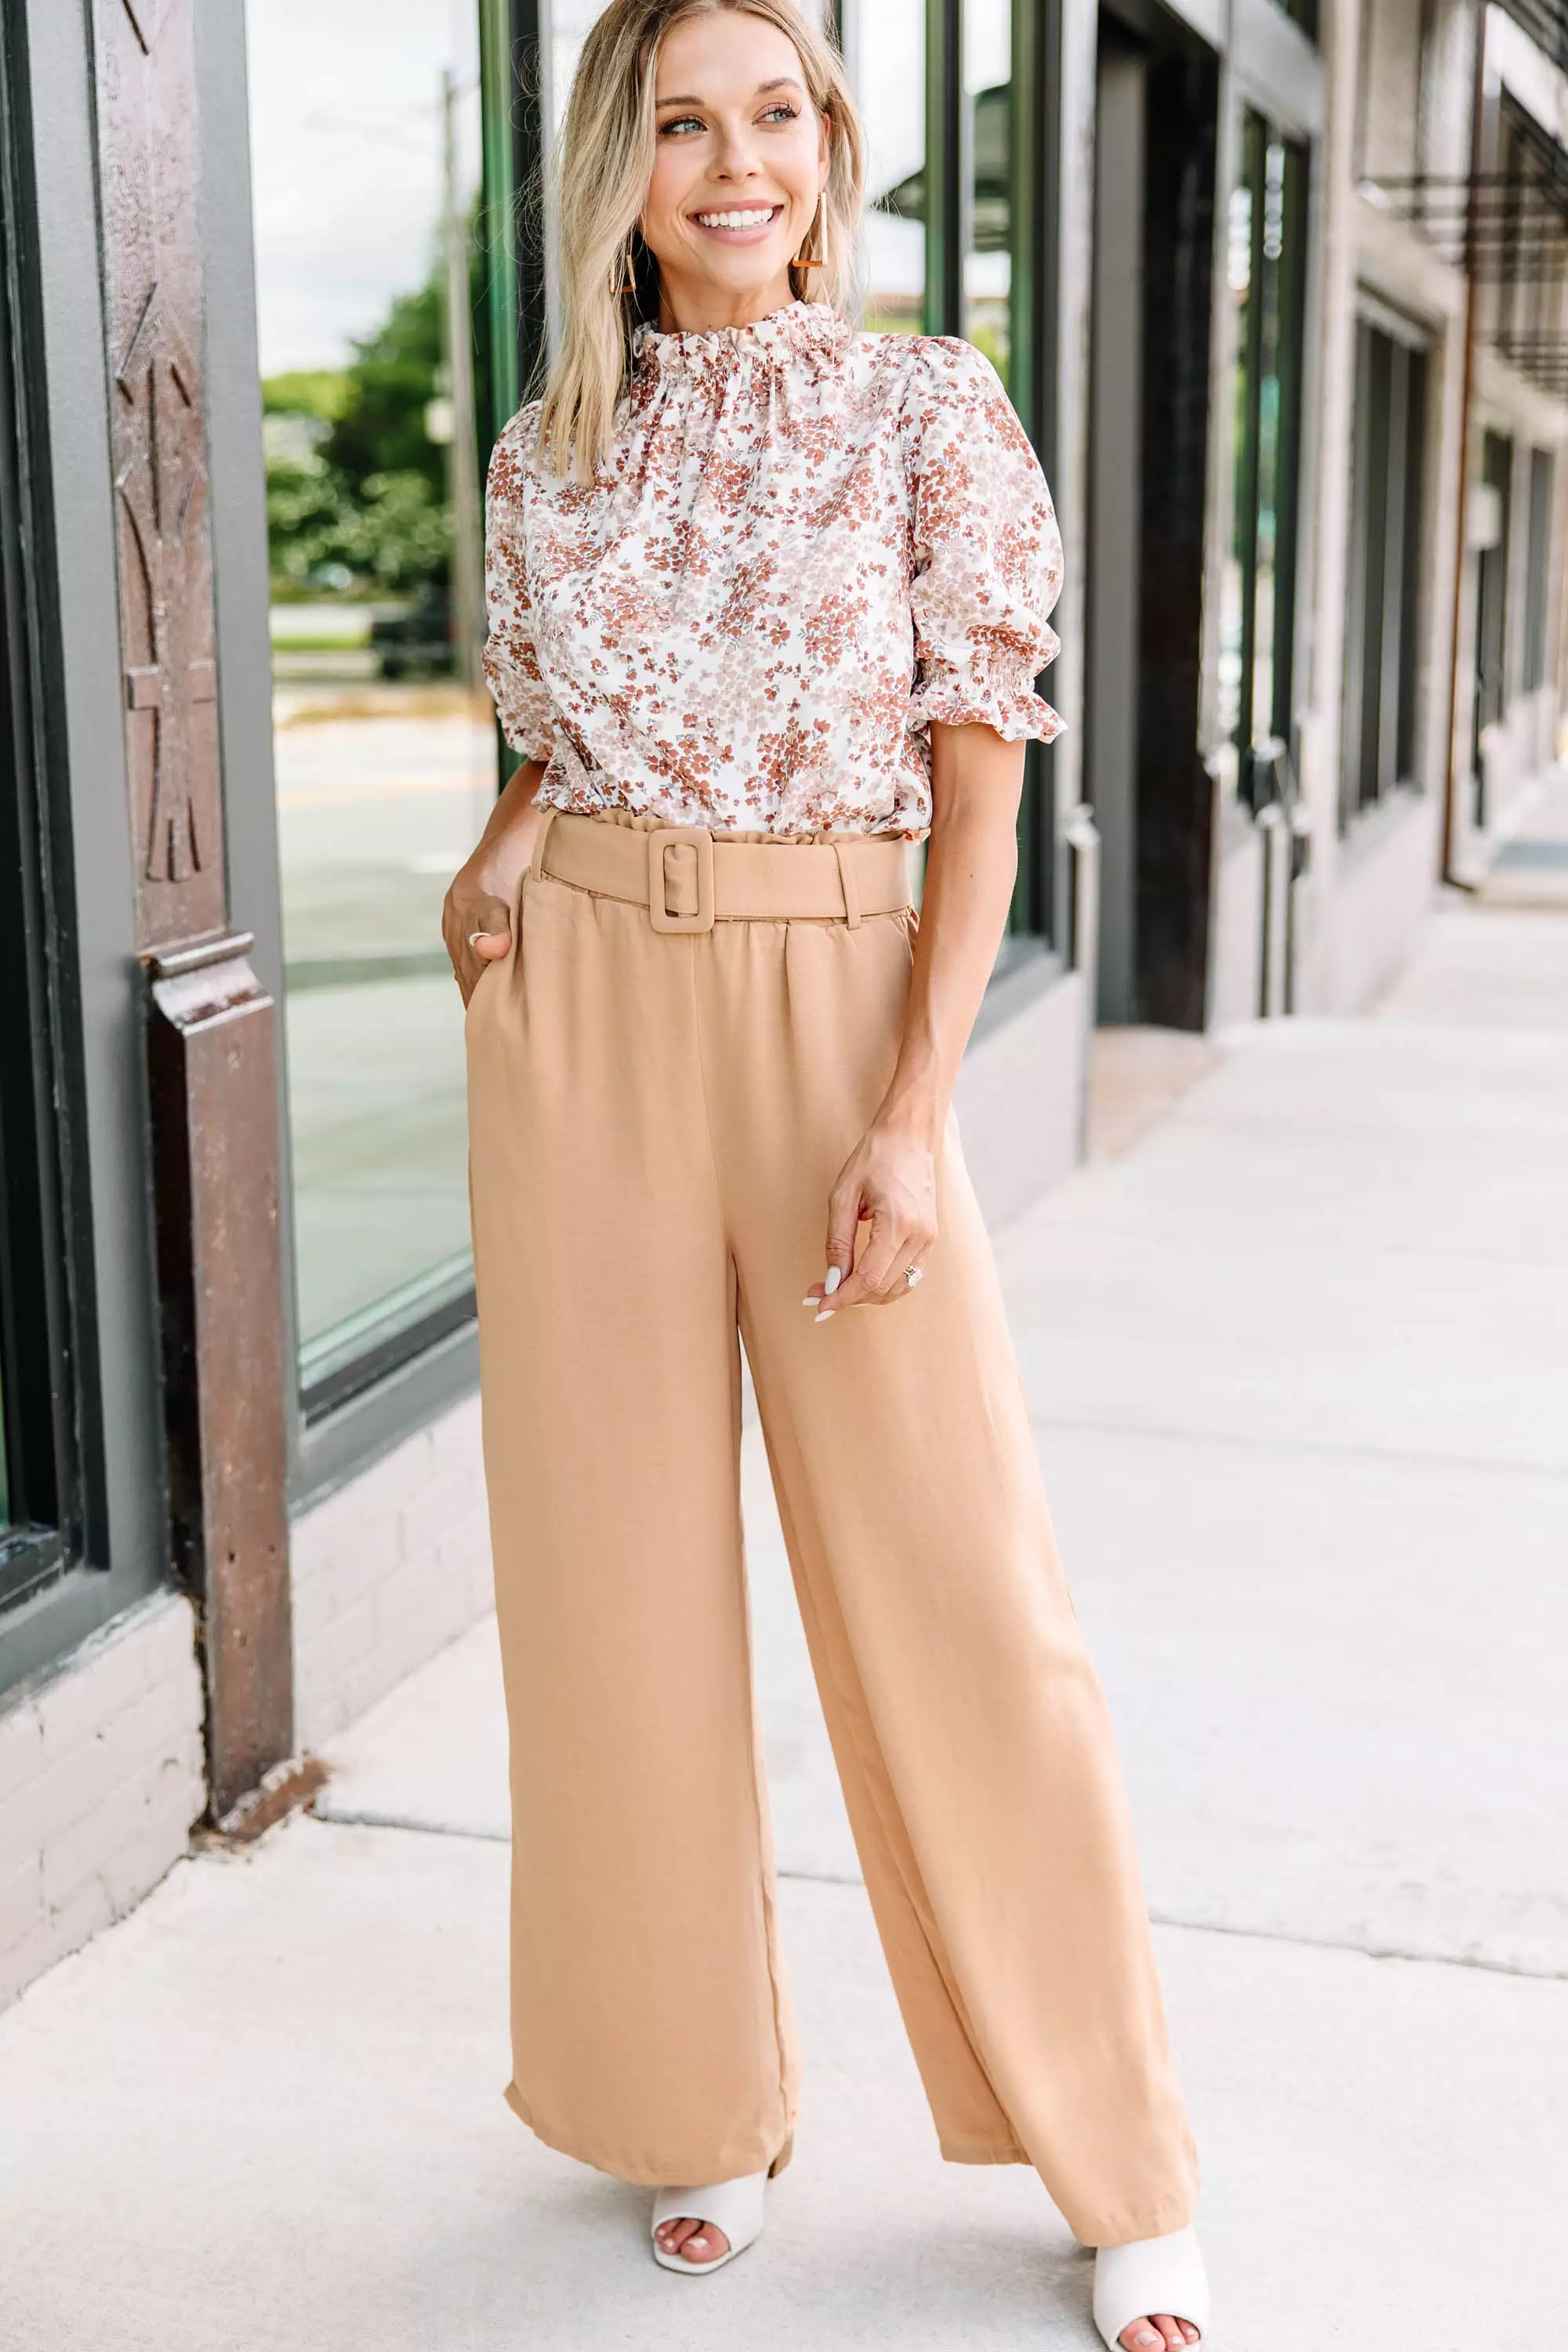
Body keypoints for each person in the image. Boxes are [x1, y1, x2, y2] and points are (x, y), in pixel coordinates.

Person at [444, 2, 1208, 2343]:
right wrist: (499, 849)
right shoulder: (540, 455)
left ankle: (1119, 2156)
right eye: (683, 121)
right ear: (621, 168)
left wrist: (908, 1111)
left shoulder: (924, 411)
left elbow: (976, 787)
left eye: (775, 116)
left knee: (961, 1586)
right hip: (578, 1007)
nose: (734, 161)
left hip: (830, 1005)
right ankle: (698, 2103)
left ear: (833, 150)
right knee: (615, 1598)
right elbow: (561, 735)